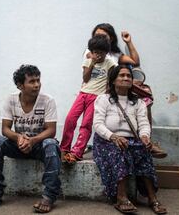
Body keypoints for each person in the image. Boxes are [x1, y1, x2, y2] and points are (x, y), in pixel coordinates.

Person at [0, 65, 61, 213]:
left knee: (51, 144)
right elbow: (5, 129)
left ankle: (49, 196)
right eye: (32, 81)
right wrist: (19, 137)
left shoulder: (47, 100)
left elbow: (51, 130)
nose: (37, 85)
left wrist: (32, 141)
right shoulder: (11, 100)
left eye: (38, 80)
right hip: (19, 144)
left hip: (38, 145)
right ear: (20, 86)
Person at [93, 65, 167, 214]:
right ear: (113, 80)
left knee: (144, 153)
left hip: (131, 139)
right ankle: (121, 198)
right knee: (120, 150)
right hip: (106, 140)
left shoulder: (138, 102)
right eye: (122, 76)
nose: (126, 78)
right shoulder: (103, 99)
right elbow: (98, 124)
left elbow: (144, 124)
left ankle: (152, 198)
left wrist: (145, 137)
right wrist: (113, 136)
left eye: (128, 76)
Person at [86, 23, 167, 159]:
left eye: (103, 36)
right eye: (97, 36)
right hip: (101, 91)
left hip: (119, 89)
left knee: (145, 100)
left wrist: (129, 42)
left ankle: (147, 141)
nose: (100, 38)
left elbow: (135, 61)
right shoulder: (91, 53)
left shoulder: (115, 55)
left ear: (110, 38)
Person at [61, 35, 116, 164]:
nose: (98, 55)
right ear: (91, 51)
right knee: (70, 119)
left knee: (86, 124)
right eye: (95, 52)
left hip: (97, 97)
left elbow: (109, 83)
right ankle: (64, 148)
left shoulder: (110, 64)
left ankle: (77, 152)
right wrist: (92, 63)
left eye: (101, 53)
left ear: (106, 52)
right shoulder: (88, 60)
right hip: (83, 94)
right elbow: (85, 79)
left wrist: (105, 97)